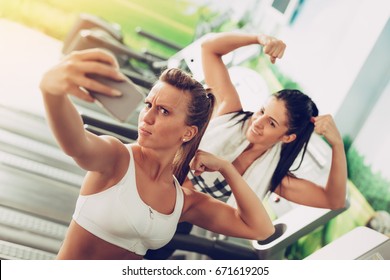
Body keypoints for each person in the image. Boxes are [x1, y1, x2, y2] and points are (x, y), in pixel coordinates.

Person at [39, 48, 274, 260]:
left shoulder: (184, 201)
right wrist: (52, 93)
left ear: (188, 132)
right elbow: (77, 145)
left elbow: (261, 229)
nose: (147, 117)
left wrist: (226, 167)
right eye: (148, 105)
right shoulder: (116, 158)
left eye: (163, 111)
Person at [183, 32, 347, 211]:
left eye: (272, 123)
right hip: (154, 179)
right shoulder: (230, 113)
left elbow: (333, 201)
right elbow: (209, 49)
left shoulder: (272, 175)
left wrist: (337, 145)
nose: (258, 122)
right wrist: (259, 39)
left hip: (175, 217)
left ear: (287, 137)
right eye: (261, 111)